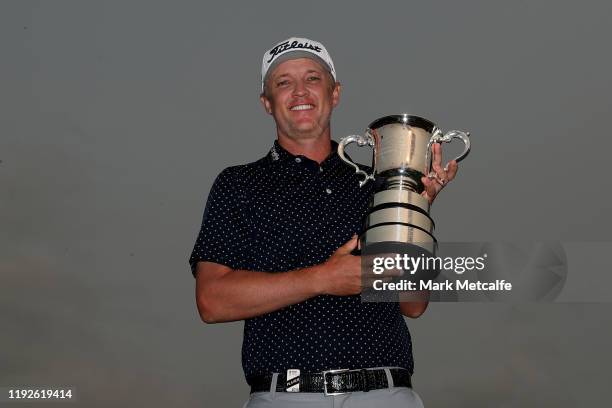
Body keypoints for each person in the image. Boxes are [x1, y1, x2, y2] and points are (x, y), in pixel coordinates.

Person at [189, 37, 458, 408]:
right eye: (283, 82)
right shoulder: (238, 184)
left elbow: (414, 304)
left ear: (335, 94)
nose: (300, 91)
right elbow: (212, 301)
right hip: (285, 395)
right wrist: (323, 278)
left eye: (313, 78)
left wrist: (412, 209)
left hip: (385, 393)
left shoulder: (377, 184)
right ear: (267, 103)